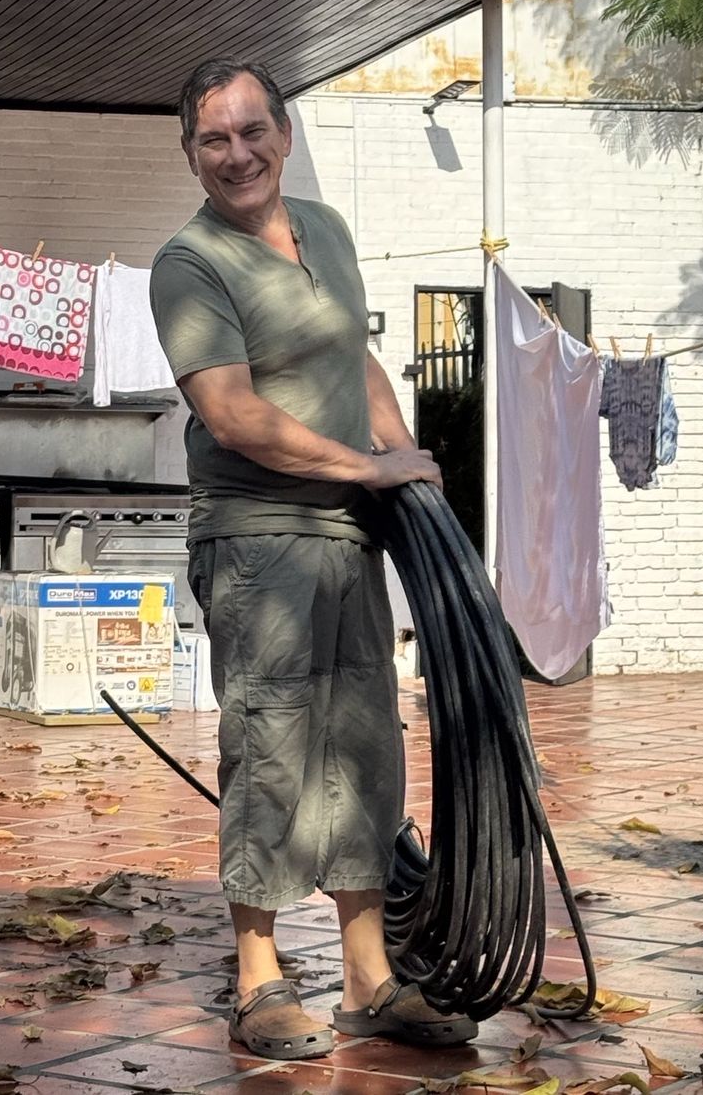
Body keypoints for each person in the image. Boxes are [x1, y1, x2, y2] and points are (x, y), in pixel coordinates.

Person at [150, 57, 478, 1061]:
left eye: (253, 131)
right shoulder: (189, 263)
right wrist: (366, 467)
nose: (237, 154)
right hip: (259, 538)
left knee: (364, 749)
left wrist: (405, 464)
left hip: (348, 532)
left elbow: (355, 360)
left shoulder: (324, 231)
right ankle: (259, 980)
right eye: (215, 139)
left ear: (284, 137)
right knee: (274, 748)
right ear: (191, 153)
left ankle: (370, 978)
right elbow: (233, 414)